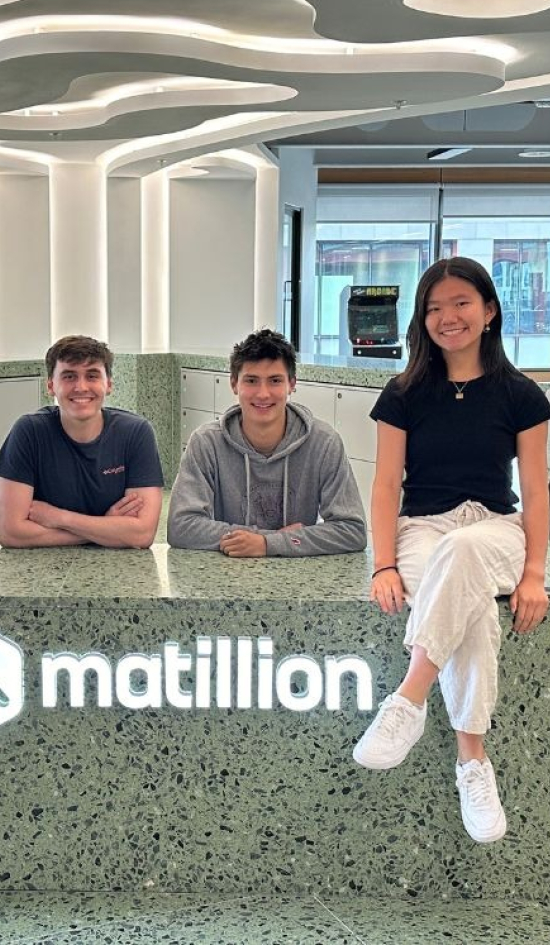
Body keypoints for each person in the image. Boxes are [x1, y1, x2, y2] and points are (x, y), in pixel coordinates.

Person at [352, 257, 550, 844]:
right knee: (478, 614)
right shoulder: (404, 391)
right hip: (422, 532)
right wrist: (383, 562)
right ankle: (473, 762)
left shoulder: (520, 393)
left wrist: (535, 572)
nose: (448, 317)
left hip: (494, 529)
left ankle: (408, 700)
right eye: (434, 308)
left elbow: (537, 489)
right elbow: (386, 485)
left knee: (466, 552)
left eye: (461, 303)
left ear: (489, 311)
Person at [168, 328, 367, 557]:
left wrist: (267, 544)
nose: (263, 394)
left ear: (292, 384)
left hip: (300, 580)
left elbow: (353, 530)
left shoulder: (324, 443)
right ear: (234, 384)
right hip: (229, 573)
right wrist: (270, 539)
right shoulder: (206, 443)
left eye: (274, 381)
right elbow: (180, 526)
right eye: (251, 381)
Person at [0, 335, 164, 548]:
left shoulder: (135, 433)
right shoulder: (29, 433)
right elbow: (9, 532)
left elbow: (142, 534)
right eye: (69, 376)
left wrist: (59, 518)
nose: (81, 387)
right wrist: (107, 528)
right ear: (51, 386)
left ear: (109, 384)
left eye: (92, 376)